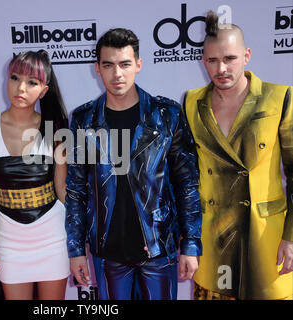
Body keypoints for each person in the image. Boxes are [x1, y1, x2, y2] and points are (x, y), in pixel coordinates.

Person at [65, 28, 202, 300]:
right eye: (109, 65)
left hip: (158, 248)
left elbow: (187, 183)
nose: (117, 74)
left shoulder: (167, 114)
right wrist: (76, 250)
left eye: (125, 64)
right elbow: (76, 191)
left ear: (138, 65)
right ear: (97, 69)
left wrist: (191, 244)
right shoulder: (83, 119)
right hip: (108, 252)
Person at [184, 11, 293, 300]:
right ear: (203, 60)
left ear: (246, 55)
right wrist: (188, 241)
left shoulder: (279, 97)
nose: (222, 68)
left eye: (230, 58)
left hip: (264, 237)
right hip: (213, 237)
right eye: (213, 60)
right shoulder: (191, 102)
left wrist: (291, 236)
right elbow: (185, 177)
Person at [0, 50, 70, 300]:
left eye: (32, 82)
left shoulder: (55, 128)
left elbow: (61, 188)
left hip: (52, 236)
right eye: (15, 78)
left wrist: (82, 230)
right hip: (8, 239)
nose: (21, 88)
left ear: (44, 90)